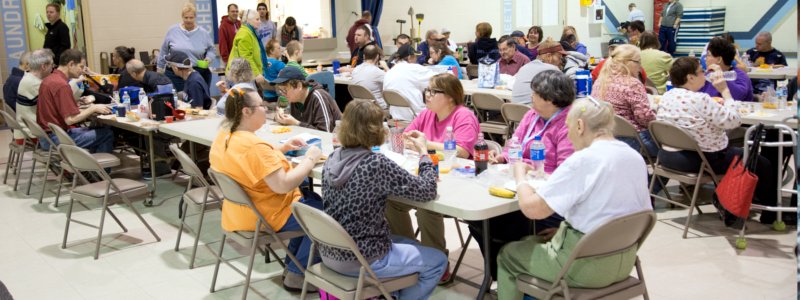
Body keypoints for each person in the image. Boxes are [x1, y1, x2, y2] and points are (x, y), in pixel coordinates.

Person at [496, 97, 653, 300]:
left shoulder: (583, 160)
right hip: (623, 261)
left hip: (584, 269)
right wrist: (568, 232)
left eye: (568, 127)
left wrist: (520, 176)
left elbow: (532, 210)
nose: (569, 136)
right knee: (531, 240)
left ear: (580, 125)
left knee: (508, 254)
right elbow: (613, 212)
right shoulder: (634, 157)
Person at [321, 99, 446, 299]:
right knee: (438, 260)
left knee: (409, 242)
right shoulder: (375, 163)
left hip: (330, 252)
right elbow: (427, 191)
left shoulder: (332, 158)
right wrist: (424, 154)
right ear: (376, 129)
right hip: (365, 258)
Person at [208, 86, 324, 291]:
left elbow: (249, 160)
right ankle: (298, 274)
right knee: (324, 216)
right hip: (267, 213)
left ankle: (294, 268)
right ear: (246, 112)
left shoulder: (225, 136)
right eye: (261, 106)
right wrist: (309, 160)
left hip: (240, 213)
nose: (266, 109)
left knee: (313, 201)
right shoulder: (254, 146)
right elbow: (283, 185)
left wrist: (284, 148)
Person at [476, 70, 576, 281]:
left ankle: (511, 268)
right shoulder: (532, 115)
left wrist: (527, 166)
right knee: (478, 219)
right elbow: (516, 142)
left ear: (550, 99)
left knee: (502, 220)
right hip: (517, 181)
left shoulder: (568, 124)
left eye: (535, 93)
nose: (530, 97)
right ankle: (499, 271)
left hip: (547, 192)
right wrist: (502, 156)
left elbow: (564, 170)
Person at [658, 57, 779, 224]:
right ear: (690, 77)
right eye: (701, 71)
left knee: (739, 150)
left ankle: (738, 198)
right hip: (701, 160)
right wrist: (725, 90)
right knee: (761, 162)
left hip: (668, 157)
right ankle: (769, 213)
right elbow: (734, 120)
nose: (705, 74)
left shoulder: (667, 96)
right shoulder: (701, 99)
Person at [387, 74, 479, 283]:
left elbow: (463, 151)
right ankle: (412, 254)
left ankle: (437, 262)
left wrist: (425, 144)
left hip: (458, 180)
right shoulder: (427, 114)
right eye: (426, 90)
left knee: (426, 206)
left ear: (450, 96)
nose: (427, 95)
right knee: (391, 201)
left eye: (432, 91)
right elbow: (406, 137)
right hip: (427, 175)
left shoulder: (463, 116)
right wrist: (421, 145)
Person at [37, 49, 113, 153]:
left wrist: (75, 104)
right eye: (81, 67)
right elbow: (70, 120)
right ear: (71, 64)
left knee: (97, 129)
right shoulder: (61, 85)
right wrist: (93, 108)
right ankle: (98, 169)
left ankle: (87, 165)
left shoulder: (50, 79)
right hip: (56, 139)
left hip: (47, 136)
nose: (82, 71)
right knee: (107, 134)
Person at [591, 44, 657, 156]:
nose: (640, 67)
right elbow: (644, 118)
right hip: (632, 140)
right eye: (638, 62)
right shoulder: (632, 83)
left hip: (605, 136)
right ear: (628, 62)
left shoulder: (600, 81)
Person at [157, 3, 217, 91]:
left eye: (191, 17)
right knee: (178, 101)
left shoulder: (203, 33)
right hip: (175, 73)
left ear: (195, 17)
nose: (188, 20)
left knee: (198, 99)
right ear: (182, 17)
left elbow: (211, 50)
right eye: (186, 17)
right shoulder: (173, 31)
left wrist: (209, 58)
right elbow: (164, 50)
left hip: (197, 72)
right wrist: (160, 69)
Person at [273, 67, 342, 132]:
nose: (282, 94)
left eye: (285, 90)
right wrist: (280, 117)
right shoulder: (293, 98)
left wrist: (297, 123)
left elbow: (325, 132)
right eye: (280, 90)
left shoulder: (319, 96)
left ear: (299, 86)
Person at [383, 44, 437, 121]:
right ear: (410, 57)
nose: (417, 60)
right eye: (416, 57)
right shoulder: (414, 68)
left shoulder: (389, 72)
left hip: (395, 116)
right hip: (415, 116)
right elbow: (437, 80)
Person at [700, 37, 754, 102]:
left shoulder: (740, 75)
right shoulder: (707, 75)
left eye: (708, 55)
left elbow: (738, 97)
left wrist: (720, 75)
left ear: (719, 59)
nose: (705, 58)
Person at [14, 50, 50, 143]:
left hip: (25, 130)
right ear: (44, 66)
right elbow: (53, 109)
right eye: (52, 65)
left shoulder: (28, 78)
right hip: (32, 134)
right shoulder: (34, 84)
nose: (53, 68)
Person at [227, 8, 268, 88]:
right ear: (249, 20)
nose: (260, 22)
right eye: (257, 19)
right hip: (240, 75)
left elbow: (254, 53)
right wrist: (257, 74)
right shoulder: (245, 34)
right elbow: (246, 57)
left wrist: (262, 61)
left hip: (245, 74)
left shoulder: (250, 32)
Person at [351, 45, 388, 109]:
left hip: (360, 108)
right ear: (377, 56)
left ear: (364, 56)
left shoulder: (355, 70)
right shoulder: (377, 72)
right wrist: (386, 67)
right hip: (377, 108)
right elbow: (393, 80)